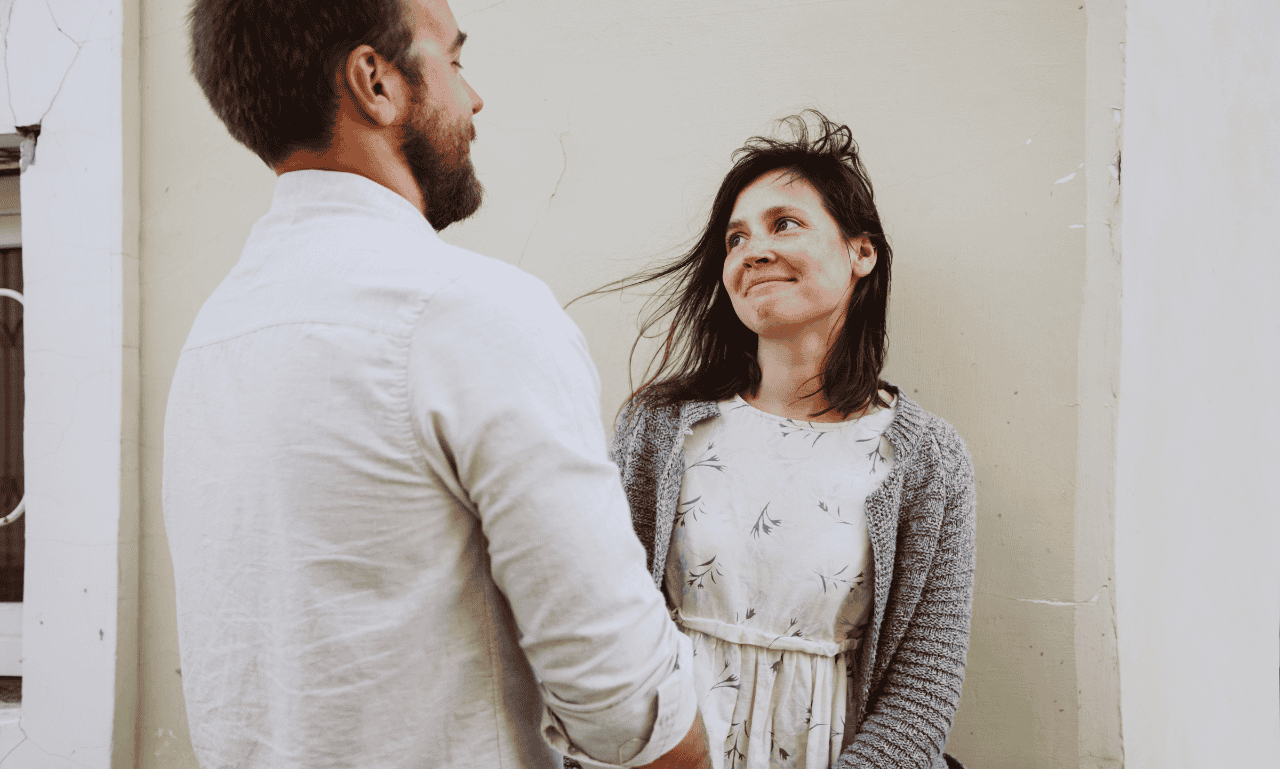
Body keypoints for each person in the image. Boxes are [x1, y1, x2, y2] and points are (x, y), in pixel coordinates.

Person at [163, 1, 711, 767]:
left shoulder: (213, 336)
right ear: (375, 83)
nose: (473, 96)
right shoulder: (470, 314)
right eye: (454, 61)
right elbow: (625, 703)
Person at [596, 112, 976, 769]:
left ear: (862, 252)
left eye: (785, 224)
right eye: (735, 239)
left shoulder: (929, 459)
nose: (752, 251)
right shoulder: (657, 426)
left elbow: (923, 691)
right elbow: (604, 624)